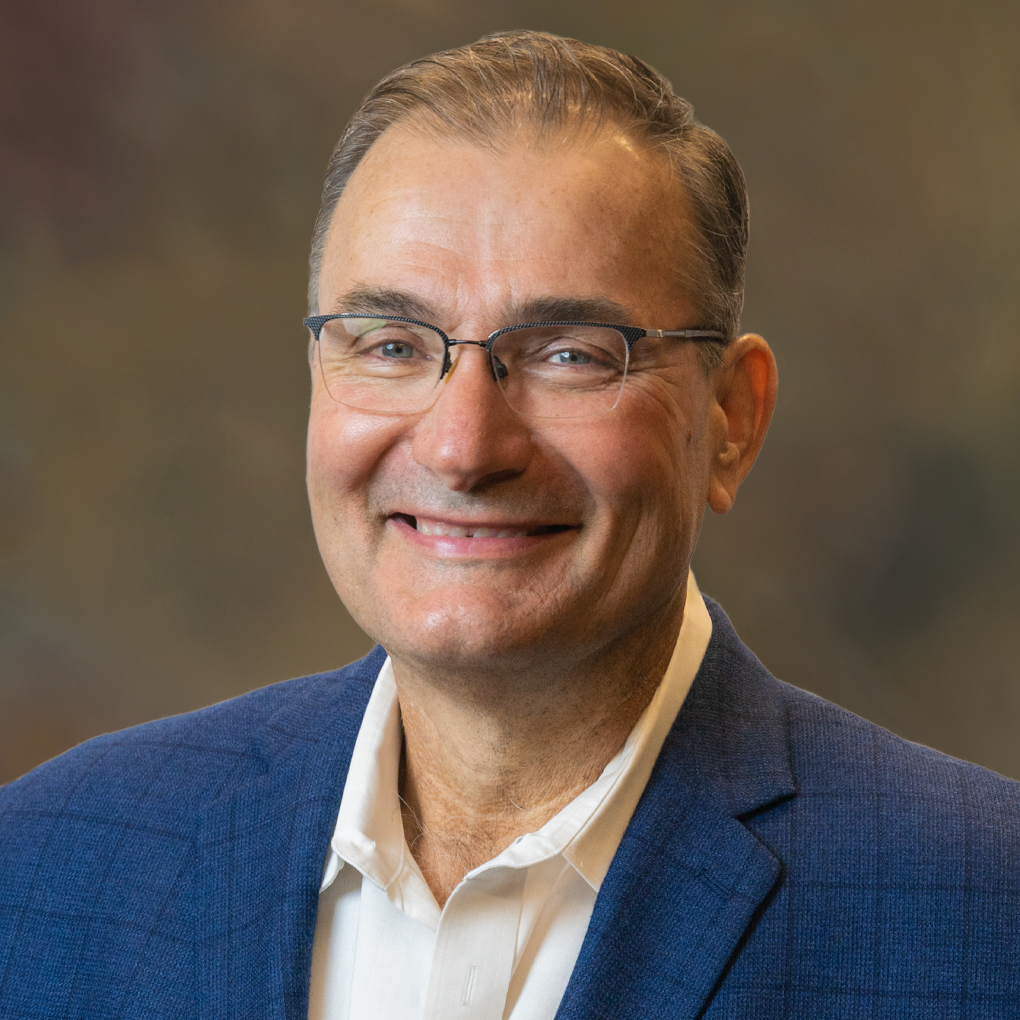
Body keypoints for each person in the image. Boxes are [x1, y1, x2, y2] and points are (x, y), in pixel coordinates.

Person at [1, 30, 1017, 1020]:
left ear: (730, 421)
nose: (462, 447)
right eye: (393, 344)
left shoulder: (982, 911)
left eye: (571, 352)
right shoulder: (52, 866)